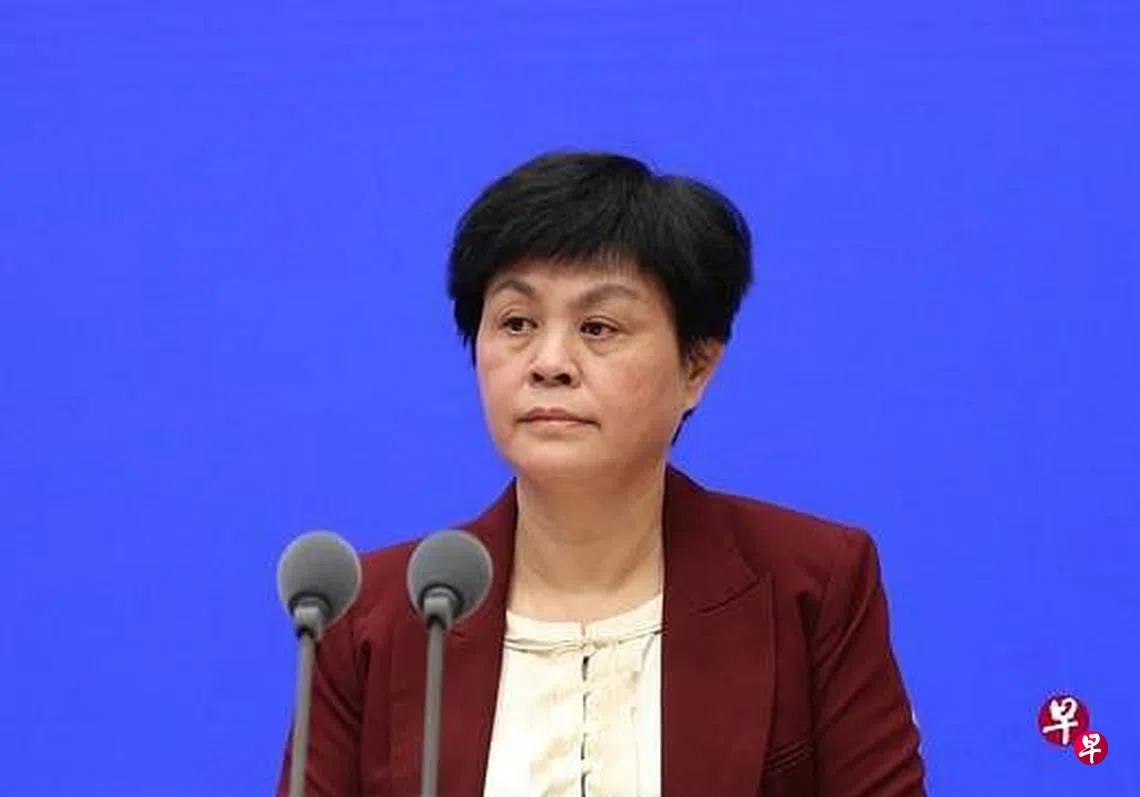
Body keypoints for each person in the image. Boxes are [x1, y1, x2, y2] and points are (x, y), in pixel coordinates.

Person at [275, 151, 927, 797]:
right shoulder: (378, 617)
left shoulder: (809, 585)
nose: (549, 362)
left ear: (697, 366)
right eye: (517, 323)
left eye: (598, 327)